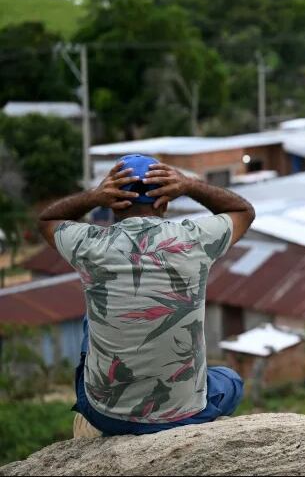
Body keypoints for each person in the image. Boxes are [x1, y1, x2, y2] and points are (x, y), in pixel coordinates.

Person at [38, 154, 256, 437]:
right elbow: (244, 212)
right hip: (184, 413)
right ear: (165, 201)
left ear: (114, 203)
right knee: (230, 380)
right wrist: (190, 186)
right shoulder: (194, 239)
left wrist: (93, 197)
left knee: (93, 313)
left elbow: (47, 220)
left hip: (106, 414)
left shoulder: (90, 244)